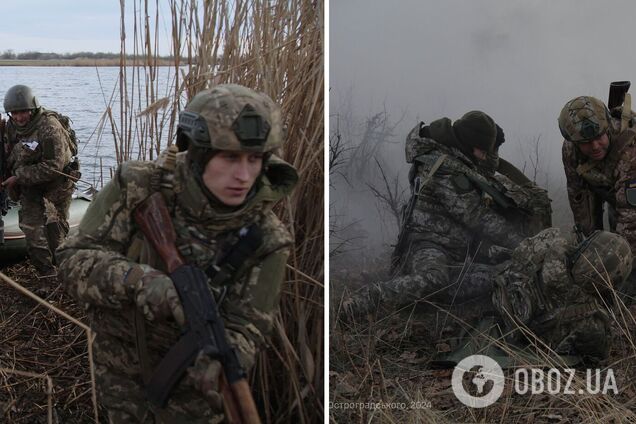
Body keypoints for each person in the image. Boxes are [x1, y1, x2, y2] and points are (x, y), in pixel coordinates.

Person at [57, 84, 298, 423]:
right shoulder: (140, 188)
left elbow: (250, 324)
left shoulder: (268, 239)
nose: (243, 175)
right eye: (229, 158)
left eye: (254, 159)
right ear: (198, 155)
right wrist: (140, 280)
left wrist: (226, 360)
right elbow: (72, 260)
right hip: (119, 376)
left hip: (193, 401)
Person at [344, 111, 551, 318]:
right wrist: (522, 244)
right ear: (469, 145)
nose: (484, 157)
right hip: (427, 244)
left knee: (501, 276)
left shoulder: (457, 159)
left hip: (453, 250)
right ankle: (372, 297)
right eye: (482, 151)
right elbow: (474, 215)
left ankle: (426, 300)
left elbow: (485, 180)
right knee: (435, 280)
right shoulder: (445, 168)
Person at [492, 228, 632, 363]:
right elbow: (600, 353)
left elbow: (518, 255)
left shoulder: (552, 241)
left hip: (498, 289)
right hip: (518, 337)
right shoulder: (592, 322)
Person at [559, 95, 636, 291]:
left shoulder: (629, 151)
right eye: (586, 142)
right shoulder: (571, 150)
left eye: (598, 137)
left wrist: (617, 278)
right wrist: (590, 257)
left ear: (607, 127)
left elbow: (630, 223)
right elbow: (580, 200)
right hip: (614, 190)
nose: (594, 146)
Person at [2, 84, 77, 278]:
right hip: (29, 186)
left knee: (55, 231)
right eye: (15, 113)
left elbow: (54, 166)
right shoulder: (10, 127)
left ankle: (65, 271)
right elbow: (9, 153)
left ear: (32, 109)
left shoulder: (49, 126)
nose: (19, 117)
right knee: (31, 229)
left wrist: (19, 177)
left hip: (57, 185)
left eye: (23, 112)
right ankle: (46, 274)